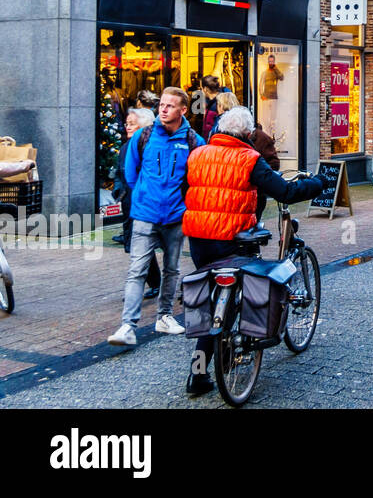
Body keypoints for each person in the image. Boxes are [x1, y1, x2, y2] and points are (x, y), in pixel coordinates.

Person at [181, 105, 322, 395]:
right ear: (247, 134)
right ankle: (236, 348)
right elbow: (285, 192)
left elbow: (188, 190)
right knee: (239, 294)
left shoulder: (197, 154)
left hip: (198, 239)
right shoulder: (249, 158)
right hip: (233, 239)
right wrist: (317, 184)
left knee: (210, 303)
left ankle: (198, 374)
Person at [108, 86, 205, 347]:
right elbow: (130, 174)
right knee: (136, 270)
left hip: (176, 215)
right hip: (145, 214)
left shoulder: (194, 141)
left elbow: (199, 178)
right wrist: (142, 195)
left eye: (170, 106)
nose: (163, 109)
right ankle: (128, 326)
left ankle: (164, 316)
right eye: (161, 104)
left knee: (172, 268)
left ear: (183, 110)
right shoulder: (144, 136)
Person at [111, 107, 160, 297]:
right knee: (137, 246)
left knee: (140, 247)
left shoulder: (150, 145)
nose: (127, 127)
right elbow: (119, 171)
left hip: (145, 205)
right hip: (129, 204)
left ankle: (140, 287)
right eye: (127, 124)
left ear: (143, 126)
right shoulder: (125, 147)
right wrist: (118, 190)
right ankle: (154, 283)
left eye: (132, 124)